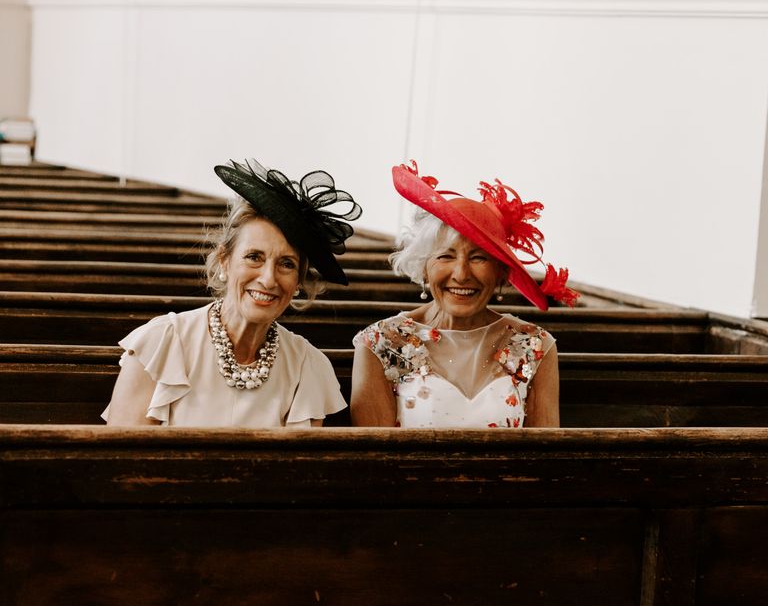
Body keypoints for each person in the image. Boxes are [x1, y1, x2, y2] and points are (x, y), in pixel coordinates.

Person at [104, 158, 361, 427]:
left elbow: (297, 468)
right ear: (224, 260)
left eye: (287, 264)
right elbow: (123, 461)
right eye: (254, 257)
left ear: (298, 281)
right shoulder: (161, 344)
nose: (268, 278)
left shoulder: (307, 366)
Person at [351, 161, 578, 429]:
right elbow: (374, 462)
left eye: (478, 258)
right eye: (446, 256)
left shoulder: (535, 345)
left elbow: (546, 457)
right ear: (424, 266)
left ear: (500, 272)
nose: (461, 273)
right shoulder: (380, 343)